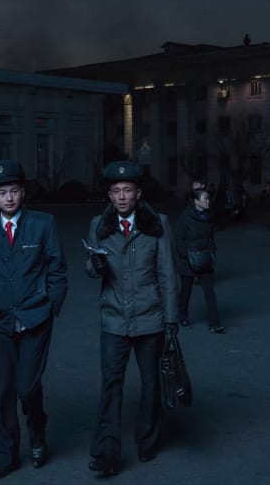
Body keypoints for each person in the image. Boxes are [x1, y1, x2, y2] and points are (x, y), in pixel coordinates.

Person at [0, 160, 68, 480]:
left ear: (22, 193)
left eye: (14, 191)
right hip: (3, 319)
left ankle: (37, 433)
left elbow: (57, 267)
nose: (9, 197)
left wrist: (51, 304)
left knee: (27, 387)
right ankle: (7, 454)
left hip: (36, 318)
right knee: (3, 392)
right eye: (2, 193)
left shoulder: (42, 224)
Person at [84, 160, 178, 475]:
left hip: (151, 319)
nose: (122, 196)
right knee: (111, 384)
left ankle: (147, 442)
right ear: (109, 195)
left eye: (127, 190)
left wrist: (171, 321)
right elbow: (89, 265)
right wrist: (95, 266)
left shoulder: (159, 224)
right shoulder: (99, 225)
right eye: (116, 191)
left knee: (151, 384)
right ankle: (106, 453)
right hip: (114, 319)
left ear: (138, 193)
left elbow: (168, 274)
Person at [175, 188, 224, 333]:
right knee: (186, 291)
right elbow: (178, 238)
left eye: (208, 198)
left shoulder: (209, 217)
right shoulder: (185, 218)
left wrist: (212, 252)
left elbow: (211, 238)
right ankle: (182, 316)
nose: (208, 201)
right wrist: (185, 256)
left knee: (210, 292)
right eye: (205, 198)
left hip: (205, 260)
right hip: (188, 261)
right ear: (196, 201)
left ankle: (215, 323)